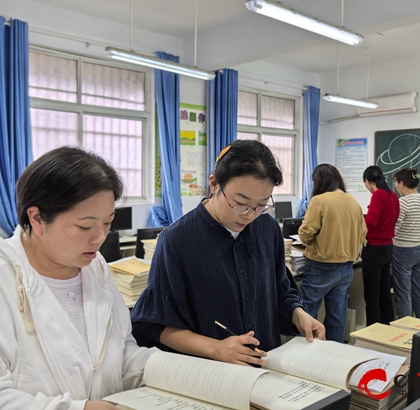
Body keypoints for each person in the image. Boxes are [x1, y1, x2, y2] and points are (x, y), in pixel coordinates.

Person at [0, 147, 155, 410]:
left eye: (108, 223)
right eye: (85, 226)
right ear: (37, 219)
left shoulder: (94, 268)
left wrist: (186, 371)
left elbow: (122, 356)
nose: (100, 237)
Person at [131, 139, 325, 367]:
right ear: (214, 184)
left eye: (262, 205)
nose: (250, 215)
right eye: (241, 203)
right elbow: (156, 326)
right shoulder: (177, 241)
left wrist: (297, 313)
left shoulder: (267, 229)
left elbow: (281, 292)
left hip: (266, 368)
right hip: (212, 375)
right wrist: (216, 348)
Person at [298, 164, 366, 343]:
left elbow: (306, 233)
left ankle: (300, 356)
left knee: (307, 314)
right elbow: (363, 232)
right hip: (347, 267)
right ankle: (334, 354)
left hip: (321, 266)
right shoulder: (353, 201)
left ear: (319, 181)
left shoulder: (319, 201)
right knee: (337, 316)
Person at [361, 165, 400, 326]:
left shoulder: (378, 195)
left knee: (371, 294)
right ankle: (386, 326)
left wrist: (358, 222)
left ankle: (373, 331)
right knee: (384, 292)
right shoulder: (392, 194)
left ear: (368, 181)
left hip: (374, 249)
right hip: (387, 247)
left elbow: (371, 221)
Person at [391, 167, 420, 319]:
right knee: (419, 289)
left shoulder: (403, 202)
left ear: (401, 183)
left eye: (395, 182)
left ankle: (405, 328)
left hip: (403, 250)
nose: (395, 185)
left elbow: (395, 227)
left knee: (403, 291)